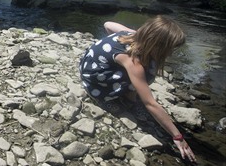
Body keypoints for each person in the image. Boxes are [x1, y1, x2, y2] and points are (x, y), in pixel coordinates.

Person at [79, 16, 197, 163]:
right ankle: (117, 99)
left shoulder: (132, 35)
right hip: (95, 83)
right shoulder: (132, 61)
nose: (171, 53)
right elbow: (150, 103)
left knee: (145, 67)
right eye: (170, 49)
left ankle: (128, 94)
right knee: (145, 73)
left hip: (88, 67)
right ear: (157, 44)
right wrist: (177, 137)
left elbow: (107, 24)